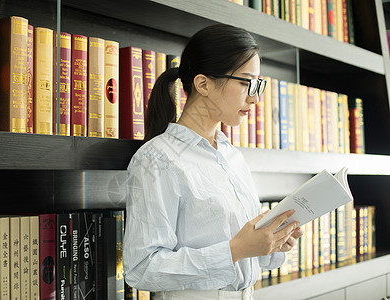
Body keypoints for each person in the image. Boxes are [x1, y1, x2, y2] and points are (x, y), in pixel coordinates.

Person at [123, 24, 304, 300]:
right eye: (246, 82)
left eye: (258, 84)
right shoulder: (156, 159)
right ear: (203, 84)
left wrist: (273, 243)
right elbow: (141, 269)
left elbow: (250, 257)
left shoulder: (233, 157)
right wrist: (236, 250)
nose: (255, 98)